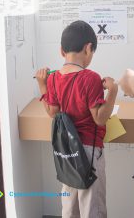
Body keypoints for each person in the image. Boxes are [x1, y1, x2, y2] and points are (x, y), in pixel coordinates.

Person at [36, 20, 118, 218]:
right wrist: (113, 91)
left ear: (62, 51)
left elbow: (53, 113)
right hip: (89, 152)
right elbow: (99, 118)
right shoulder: (90, 78)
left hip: (66, 151)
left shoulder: (53, 78)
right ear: (88, 48)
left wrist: (42, 85)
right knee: (92, 207)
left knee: (69, 206)